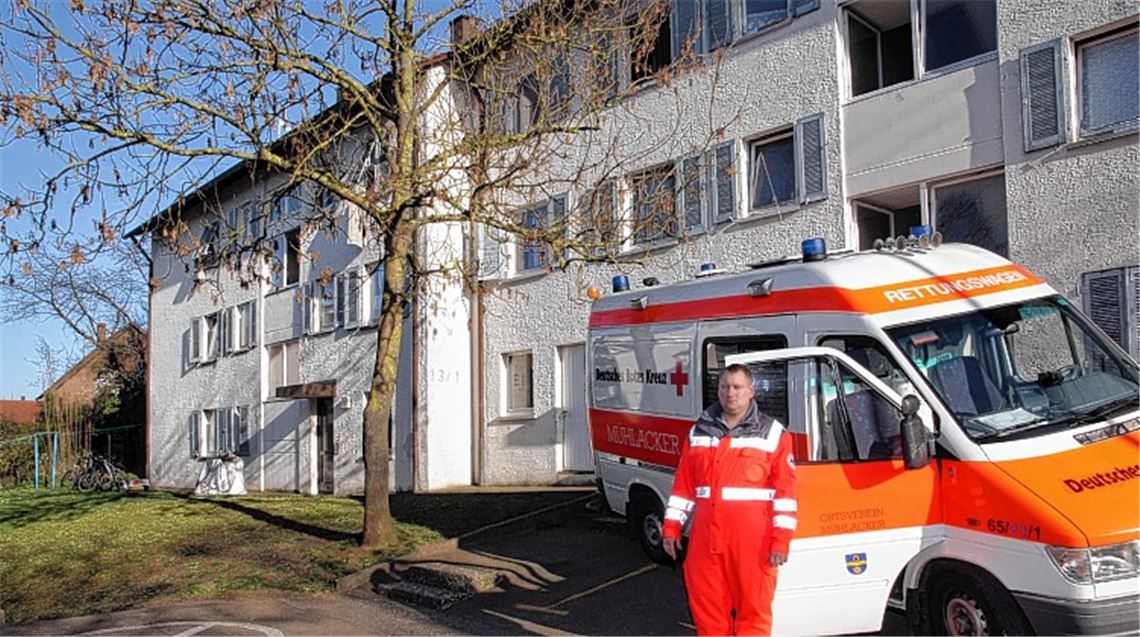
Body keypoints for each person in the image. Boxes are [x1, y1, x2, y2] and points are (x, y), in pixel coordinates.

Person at [662, 363, 797, 636]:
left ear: (751, 391)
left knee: (754, 613)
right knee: (707, 613)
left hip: (753, 543)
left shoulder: (773, 434)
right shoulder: (699, 432)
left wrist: (780, 540)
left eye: (737, 387)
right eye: (724, 387)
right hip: (705, 540)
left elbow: (786, 493)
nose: (730, 393)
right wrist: (671, 528)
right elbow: (684, 487)